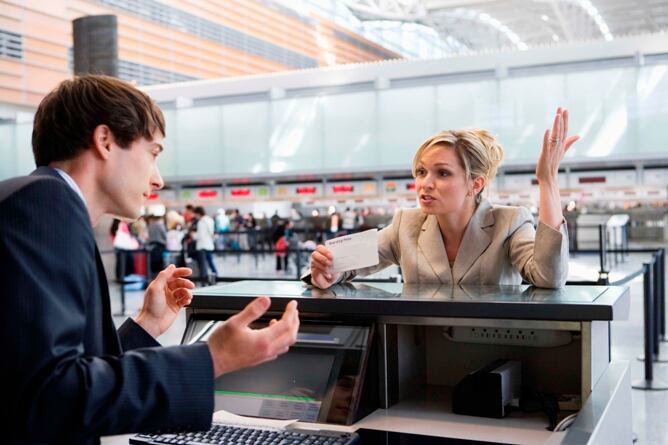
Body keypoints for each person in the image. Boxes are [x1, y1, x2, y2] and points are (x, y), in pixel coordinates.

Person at [0, 74, 299, 444]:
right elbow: (49, 397)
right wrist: (214, 358)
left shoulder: (42, 203)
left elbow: (57, 371)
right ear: (105, 141)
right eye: (153, 153)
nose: (157, 179)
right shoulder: (46, 208)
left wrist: (147, 325)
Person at [309, 108, 578, 289]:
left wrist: (547, 179)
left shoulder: (509, 222)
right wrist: (327, 270)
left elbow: (548, 277)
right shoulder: (406, 224)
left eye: (443, 173)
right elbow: (340, 264)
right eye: (421, 171)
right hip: (417, 352)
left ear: (475, 184)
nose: (426, 183)